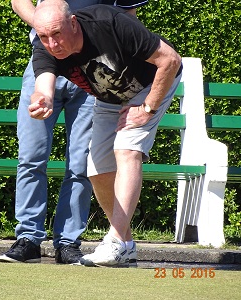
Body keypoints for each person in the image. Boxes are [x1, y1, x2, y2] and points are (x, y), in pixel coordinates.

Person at [29, 0, 182, 267]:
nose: (52, 44)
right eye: (44, 36)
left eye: (56, 34)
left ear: (73, 22)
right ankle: (126, 245)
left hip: (152, 85)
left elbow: (169, 59)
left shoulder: (109, 23)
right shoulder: (45, 48)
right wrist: (42, 99)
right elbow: (44, 85)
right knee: (97, 171)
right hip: (110, 98)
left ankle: (114, 242)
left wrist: (147, 107)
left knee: (127, 149)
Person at [0, 0, 149, 265]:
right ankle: (28, 239)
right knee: (31, 156)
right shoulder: (47, 43)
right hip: (44, 63)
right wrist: (50, 31)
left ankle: (68, 242)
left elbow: (128, 17)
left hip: (94, 70)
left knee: (81, 162)